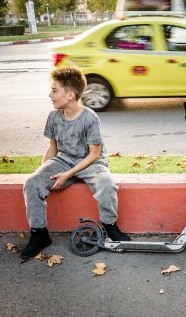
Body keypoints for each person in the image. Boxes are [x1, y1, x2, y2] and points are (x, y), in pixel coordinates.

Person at [20, 66, 131, 261]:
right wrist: (41, 174)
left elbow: (94, 154)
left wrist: (68, 175)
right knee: (31, 183)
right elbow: (53, 148)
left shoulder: (89, 118)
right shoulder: (54, 117)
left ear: (70, 95)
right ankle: (39, 234)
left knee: (107, 185)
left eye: (55, 91)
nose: (50, 95)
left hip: (91, 162)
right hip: (63, 160)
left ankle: (110, 227)